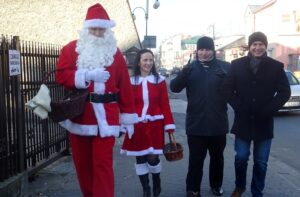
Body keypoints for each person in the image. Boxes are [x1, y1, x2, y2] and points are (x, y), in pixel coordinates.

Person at [55, 3, 137, 197]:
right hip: (80, 115)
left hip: (107, 118)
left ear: (107, 30)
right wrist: (86, 75)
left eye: (101, 28)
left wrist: (128, 118)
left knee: (103, 164)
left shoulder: (115, 53)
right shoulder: (71, 49)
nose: (98, 32)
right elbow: (61, 76)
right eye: (94, 28)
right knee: (82, 165)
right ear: (87, 28)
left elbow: (125, 86)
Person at [222, 32, 291, 197]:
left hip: (264, 122)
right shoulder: (236, 65)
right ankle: (239, 186)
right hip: (243, 121)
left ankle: (257, 191)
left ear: (265, 46)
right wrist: (238, 106)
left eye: (261, 44)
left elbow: (284, 92)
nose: (258, 47)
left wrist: (270, 108)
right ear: (250, 46)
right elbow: (226, 89)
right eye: (254, 44)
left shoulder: (275, 66)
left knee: (261, 162)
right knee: (241, 157)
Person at [170, 36, 230, 197]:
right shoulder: (190, 69)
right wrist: (183, 74)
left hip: (218, 123)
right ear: (197, 51)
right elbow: (174, 88)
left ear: (213, 50)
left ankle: (216, 185)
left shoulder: (224, 68)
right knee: (196, 160)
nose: (204, 53)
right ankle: (193, 188)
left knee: (217, 159)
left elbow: (237, 90)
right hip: (196, 124)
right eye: (201, 49)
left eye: (207, 49)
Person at [121, 49, 176, 197]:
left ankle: (156, 180)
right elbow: (126, 104)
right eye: (145, 60)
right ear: (138, 62)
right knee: (140, 157)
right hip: (137, 125)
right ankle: (146, 189)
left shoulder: (159, 81)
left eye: (150, 60)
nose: (148, 63)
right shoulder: (131, 82)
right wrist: (125, 123)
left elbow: (165, 104)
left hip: (155, 125)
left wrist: (169, 125)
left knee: (153, 158)